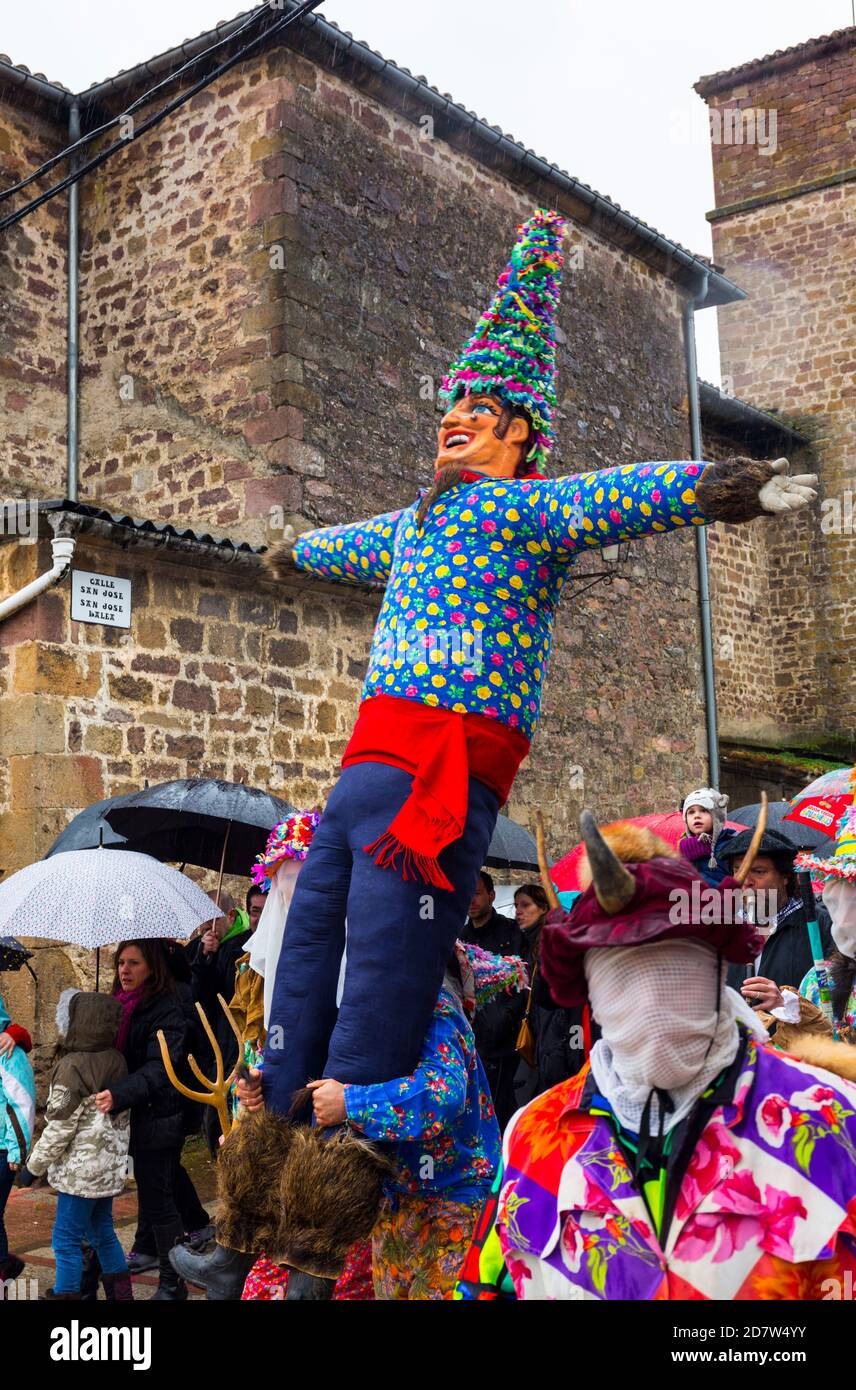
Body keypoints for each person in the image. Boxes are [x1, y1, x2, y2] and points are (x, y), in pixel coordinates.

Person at [259, 205, 817, 1166]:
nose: (454, 428)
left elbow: (630, 492)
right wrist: (287, 554)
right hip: (363, 775)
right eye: (449, 417)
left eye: (476, 419)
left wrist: (731, 485)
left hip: (435, 781)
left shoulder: (533, 510)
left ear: (521, 439)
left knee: (388, 972)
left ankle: (336, 1161)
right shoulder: (408, 527)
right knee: (307, 954)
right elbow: (330, 549)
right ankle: (272, 1128)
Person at [457, 811, 856, 1300]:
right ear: (589, 988)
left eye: (679, 963)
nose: (652, 1000)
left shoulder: (833, 1116)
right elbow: (485, 1284)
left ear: (717, 968)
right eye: (621, 971)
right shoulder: (530, 1137)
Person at [214, 942, 526, 1300]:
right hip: (391, 1202)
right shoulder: (361, 1007)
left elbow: (442, 1095)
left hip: (449, 1200)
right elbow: (326, 1080)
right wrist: (264, 1093)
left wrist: (351, 1103)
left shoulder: (431, 1005)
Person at [94, 939, 193, 1300]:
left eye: (133, 963)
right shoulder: (118, 1006)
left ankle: (173, 1282)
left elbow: (159, 1068)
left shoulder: (167, 1008)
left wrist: (120, 1093)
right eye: (121, 962)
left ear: (151, 966)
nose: (124, 970)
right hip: (125, 1119)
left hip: (157, 1116)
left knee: (160, 1203)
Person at [19, 991, 132, 1302]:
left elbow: (59, 1127)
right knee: (103, 1234)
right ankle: (122, 1297)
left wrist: (32, 1168)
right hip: (108, 1170)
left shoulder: (72, 1066)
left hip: (79, 1175)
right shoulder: (117, 1059)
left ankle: (66, 1295)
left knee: (65, 1239)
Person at [718, 827, 834, 1010]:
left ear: (785, 877)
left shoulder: (820, 926)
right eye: (738, 870)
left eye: (758, 871)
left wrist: (787, 1003)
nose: (745, 881)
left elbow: (838, 1002)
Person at [513, 883, 589, 1109]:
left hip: (560, 1055)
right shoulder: (538, 947)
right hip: (553, 1052)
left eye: (526, 905)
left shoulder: (552, 951)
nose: (519, 911)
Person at [460, 870, 524, 1129]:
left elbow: (524, 979)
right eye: (467, 894)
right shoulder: (460, 937)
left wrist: (507, 1017)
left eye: (476, 894)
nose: (471, 900)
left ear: (491, 895)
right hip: (472, 1041)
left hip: (505, 1043)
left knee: (503, 1110)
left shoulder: (511, 932)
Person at [0, 991, 36, 1286]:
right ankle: (6, 1265)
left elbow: (22, 1103)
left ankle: (3, 1269)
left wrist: (17, 1151)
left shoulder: (9, 1053)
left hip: (2, 1151)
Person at [678, 787, 735, 885]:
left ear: (717, 817)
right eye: (691, 812)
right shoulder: (683, 848)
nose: (697, 816)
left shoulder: (731, 844)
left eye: (704, 810)